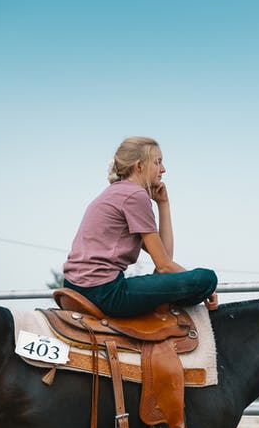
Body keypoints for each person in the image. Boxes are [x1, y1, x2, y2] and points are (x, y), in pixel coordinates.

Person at [63, 136, 218, 317]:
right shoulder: (135, 196)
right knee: (207, 278)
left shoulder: (116, 192)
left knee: (185, 280)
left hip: (75, 286)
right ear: (139, 166)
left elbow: (165, 258)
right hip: (103, 291)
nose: (163, 169)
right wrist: (207, 288)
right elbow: (164, 266)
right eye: (157, 162)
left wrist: (163, 204)